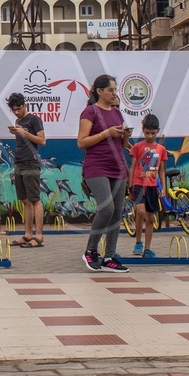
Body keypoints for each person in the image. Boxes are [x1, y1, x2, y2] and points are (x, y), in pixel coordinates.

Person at [77, 73, 132, 273]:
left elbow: (122, 145)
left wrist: (124, 136)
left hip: (117, 167)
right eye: (111, 90)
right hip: (96, 166)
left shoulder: (117, 114)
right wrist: (106, 133)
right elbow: (82, 142)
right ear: (99, 91)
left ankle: (109, 256)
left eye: (115, 90)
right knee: (106, 209)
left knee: (117, 213)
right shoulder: (89, 112)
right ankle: (90, 251)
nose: (114, 93)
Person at [6, 93, 46, 248]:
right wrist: (17, 132)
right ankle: (28, 234)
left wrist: (25, 133)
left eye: (19, 108)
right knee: (25, 200)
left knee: (35, 199)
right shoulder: (18, 121)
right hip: (19, 162)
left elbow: (42, 140)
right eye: (13, 109)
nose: (16, 112)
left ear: (25, 105)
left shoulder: (34, 119)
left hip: (31, 162)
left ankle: (39, 236)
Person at [127, 113, 167, 261]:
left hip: (152, 186)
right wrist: (131, 186)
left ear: (158, 131)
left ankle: (147, 249)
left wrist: (163, 187)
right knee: (141, 211)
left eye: (153, 133)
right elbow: (132, 168)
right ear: (143, 130)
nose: (150, 136)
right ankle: (138, 242)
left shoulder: (161, 149)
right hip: (138, 184)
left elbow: (162, 170)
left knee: (150, 218)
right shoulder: (137, 147)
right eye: (147, 132)